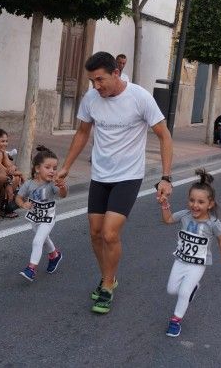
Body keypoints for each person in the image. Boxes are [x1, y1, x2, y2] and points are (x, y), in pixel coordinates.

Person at [56, 51, 173, 314]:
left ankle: (108, 285)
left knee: (110, 233)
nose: (96, 86)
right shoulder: (91, 99)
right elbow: (82, 133)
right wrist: (66, 167)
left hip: (128, 176)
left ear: (116, 74)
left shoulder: (140, 97)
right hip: (100, 175)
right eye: (92, 81)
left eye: (100, 80)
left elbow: (164, 136)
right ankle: (108, 275)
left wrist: (165, 177)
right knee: (95, 233)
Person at [159, 168, 221, 337]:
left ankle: (175, 321)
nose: (195, 205)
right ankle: (193, 289)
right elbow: (168, 219)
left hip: (198, 264)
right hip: (180, 260)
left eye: (200, 202)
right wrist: (164, 204)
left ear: (210, 204)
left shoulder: (213, 222)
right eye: (192, 200)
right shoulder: (185, 215)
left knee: (183, 293)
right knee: (171, 290)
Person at [16, 146, 68, 281]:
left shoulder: (52, 184)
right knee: (44, 239)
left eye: (54, 168)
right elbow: (18, 197)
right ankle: (54, 255)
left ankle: (31, 269)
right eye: (48, 167)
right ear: (38, 169)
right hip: (34, 217)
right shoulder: (29, 184)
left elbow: (63, 195)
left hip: (48, 218)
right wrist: (23, 204)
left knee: (38, 240)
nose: (52, 171)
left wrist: (62, 187)